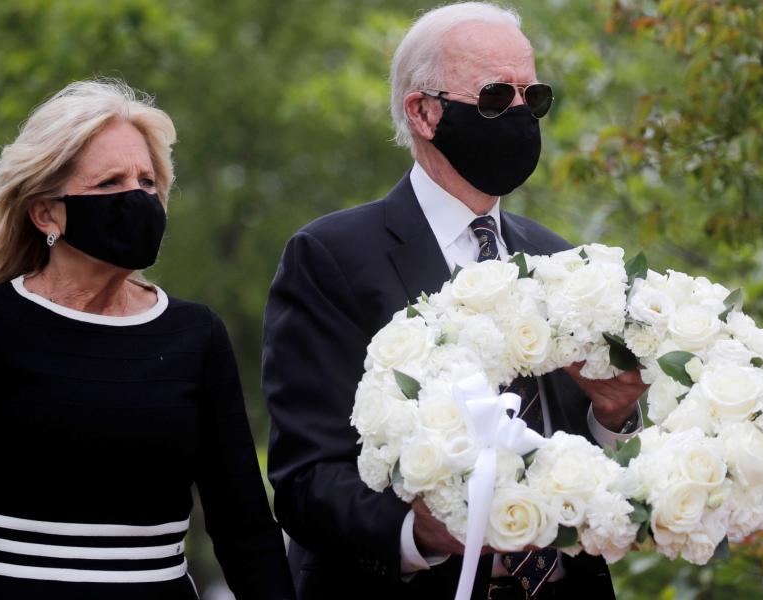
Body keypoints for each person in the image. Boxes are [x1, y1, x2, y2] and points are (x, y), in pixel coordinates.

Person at [262, 3, 648, 599]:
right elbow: (306, 478)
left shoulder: (560, 260)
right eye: (496, 97)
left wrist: (614, 414)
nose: (520, 115)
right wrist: (421, 534)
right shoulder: (331, 257)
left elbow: (590, 464)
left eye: (533, 97)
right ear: (424, 112)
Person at [0, 80, 294, 600]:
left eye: (148, 181)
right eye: (110, 182)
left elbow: (243, 526)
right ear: (47, 212)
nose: (137, 197)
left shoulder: (196, 335)